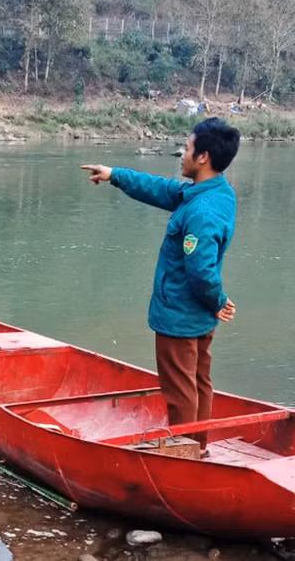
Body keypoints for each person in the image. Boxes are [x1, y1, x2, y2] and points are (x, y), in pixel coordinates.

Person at [81, 117, 240, 456]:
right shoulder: (215, 192)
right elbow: (161, 189)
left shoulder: (201, 210)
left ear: (203, 157)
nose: (182, 154)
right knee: (199, 383)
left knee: (181, 392)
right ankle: (199, 448)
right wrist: (116, 175)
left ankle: (187, 458)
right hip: (198, 317)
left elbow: (200, 270)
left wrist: (218, 300)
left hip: (180, 317)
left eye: (187, 147)